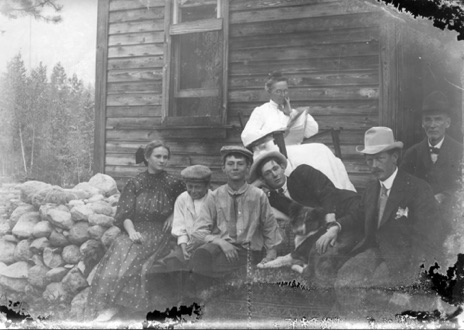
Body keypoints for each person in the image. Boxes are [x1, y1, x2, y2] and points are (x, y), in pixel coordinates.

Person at [333, 127, 445, 318]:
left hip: (406, 256)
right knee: (344, 281)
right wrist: (336, 226)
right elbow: (360, 214)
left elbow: (427, 240)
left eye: (379, 158)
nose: (373, 165)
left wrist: (408, 285)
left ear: (395, 157)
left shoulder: (417, 189)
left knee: (379, 292)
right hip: (375, 250)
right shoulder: (371, 188)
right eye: (369, 160)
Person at [86, 140, 185, 322]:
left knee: (135, 254)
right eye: (157, 156)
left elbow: (185, 202)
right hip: (134, 228)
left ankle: (120, 305)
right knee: (120, 248)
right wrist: (131, 232)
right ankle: (107, 305)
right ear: (147, 158)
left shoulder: (174, 182)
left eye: (165, 157)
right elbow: (125, 214)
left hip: (158, 231)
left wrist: (173, 214)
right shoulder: (135, 183)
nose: (162, 160)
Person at [250, 150, 361, 287]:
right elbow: (244, 196)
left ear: (283, 168)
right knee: (327, 247)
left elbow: (328, 192)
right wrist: (257, 182)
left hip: (348, 207)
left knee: (339, 243)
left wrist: (330, 217)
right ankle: (298, 263)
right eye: (267, 173)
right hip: (327, 227)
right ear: (264, 179)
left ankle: (292, 260)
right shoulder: (273, 198)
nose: (274, 174)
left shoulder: (302, 173)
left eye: (275, 168)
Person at [189, 146, 282, 294]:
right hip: (221, 249)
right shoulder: (214, 196)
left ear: (247, 168)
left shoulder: (258, 196)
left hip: (248, 252)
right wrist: (221, 242)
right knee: (202, 255)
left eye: (240, 164)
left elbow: (269, 227)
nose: (235, 168)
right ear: (223, 168)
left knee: (206, 265)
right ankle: (203, 300)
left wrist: (270, 255)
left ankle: (212, 294)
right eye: (230, 164)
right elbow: (198, 231)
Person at [400, 91, 462, 206]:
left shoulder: (460, 152)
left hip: (449, 217)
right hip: (420, 216)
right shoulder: (412, 153)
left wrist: (445, 196)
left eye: (438, 119)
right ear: (422, 123)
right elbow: (402, 186)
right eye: (428, 119)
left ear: (448, 123)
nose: (432, 125)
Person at [241, 71, 319, 147]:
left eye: (285, 91)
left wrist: (291, 113)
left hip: (292, 151)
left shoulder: (292, 113)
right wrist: (274, 134)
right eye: (278, 91)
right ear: (270, 91)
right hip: (271, 153)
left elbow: (313, 131)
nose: (282, 95)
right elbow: (247, 136)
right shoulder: (261, 111)